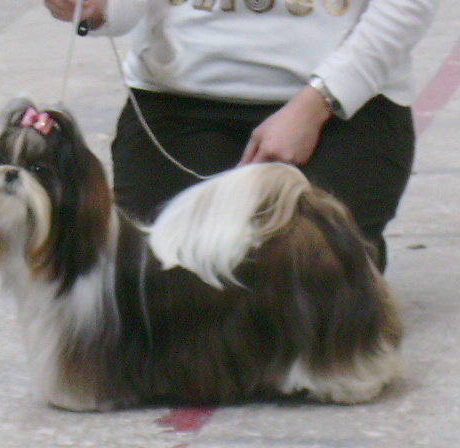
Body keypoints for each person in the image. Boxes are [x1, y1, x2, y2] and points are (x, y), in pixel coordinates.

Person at [44, 0, 440, 272]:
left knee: (309, 278)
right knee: (161, 286)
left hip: (339, 106)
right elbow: (121, 9)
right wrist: (98, 8)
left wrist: (318, 103)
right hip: (180, 102)